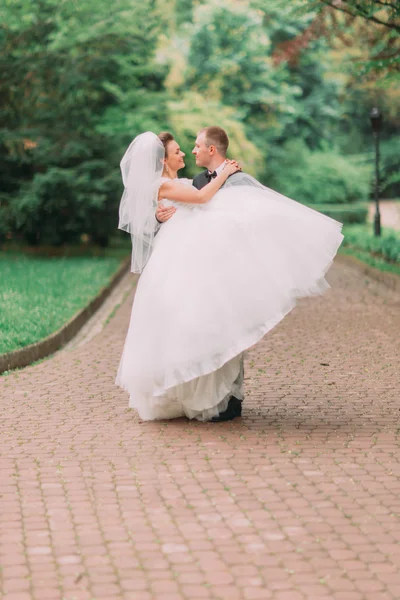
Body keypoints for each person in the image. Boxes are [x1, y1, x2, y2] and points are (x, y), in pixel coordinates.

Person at [116, 129, 344, 422]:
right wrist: (224, 173)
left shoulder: (177, 182)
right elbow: (199, 198)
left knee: (208, 323)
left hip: (197, 258)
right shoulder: (163, 184)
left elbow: (191, 200)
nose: (184, 152)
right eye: (177, 152)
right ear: (162, 161)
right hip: (183, 260)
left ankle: (219, 394)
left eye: (190, 148)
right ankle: (205, 396)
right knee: (192, 325)